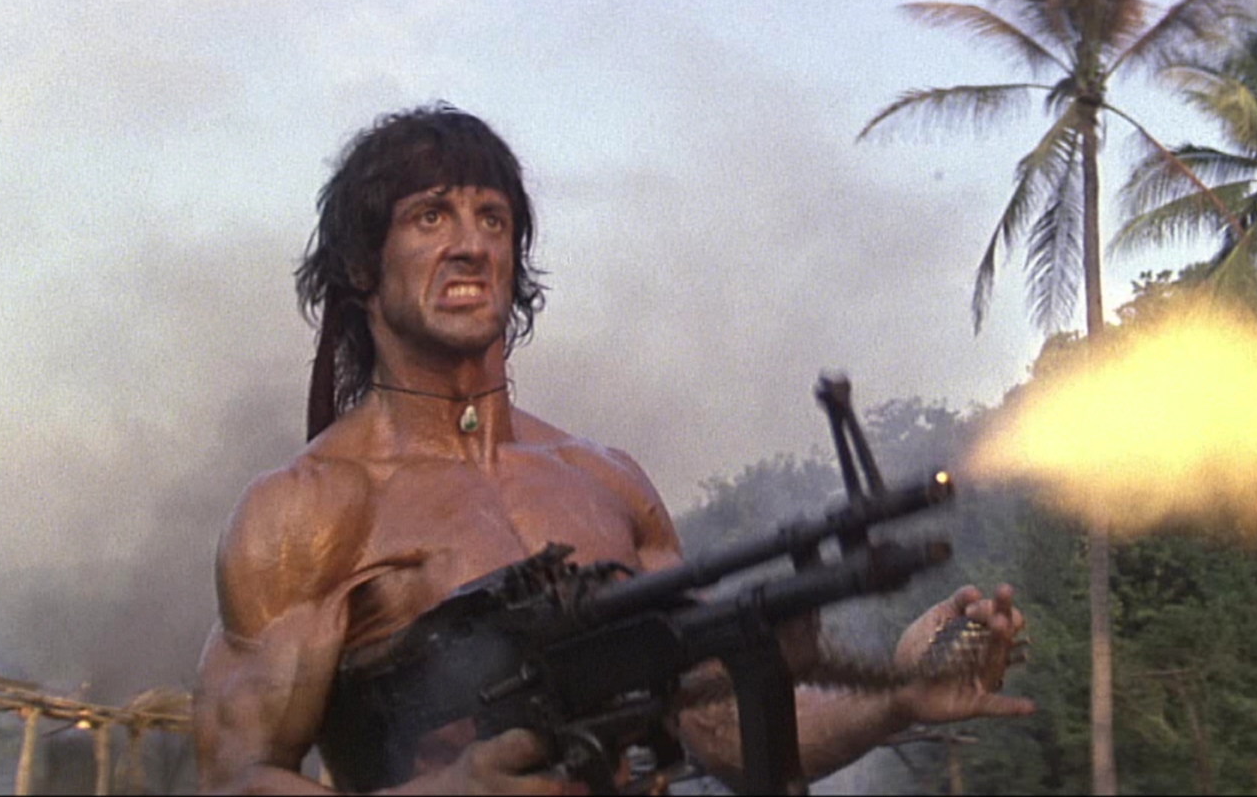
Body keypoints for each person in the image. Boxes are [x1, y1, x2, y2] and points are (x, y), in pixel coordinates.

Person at [193, 102, 1035, 795]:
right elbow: (235, 781)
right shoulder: (306, 512)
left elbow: (719, 731)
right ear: (360, 266)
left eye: (493, 218)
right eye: (430, 216)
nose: (470, 243)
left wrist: (898, 697)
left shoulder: (605, 481)